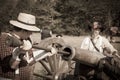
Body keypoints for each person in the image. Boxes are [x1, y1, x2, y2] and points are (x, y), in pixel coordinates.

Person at [0, 12, 41, 80]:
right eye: (30, 31)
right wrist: (21, 51)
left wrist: (45, 53)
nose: (31, 33)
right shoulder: (6, 39)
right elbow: (12, 66)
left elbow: (28, 61)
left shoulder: (26, 39)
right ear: (23, 30)